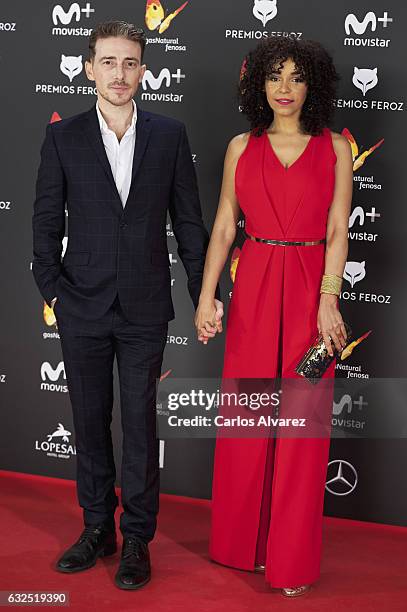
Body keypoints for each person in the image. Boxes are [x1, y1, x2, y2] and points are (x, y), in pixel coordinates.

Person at [32, 20, 222, 590]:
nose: (120, 73)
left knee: (139, 424)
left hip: (144, 307)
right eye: (109, 62)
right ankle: (97, 529)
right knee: (89, 424)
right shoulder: (63, 137)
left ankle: (137, 536)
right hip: (80, 305)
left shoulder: (169, 134)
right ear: (90, 68)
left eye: (130, 62)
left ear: (144, 70)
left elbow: (189, 222)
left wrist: (202, 293)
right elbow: (44, 221)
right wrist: (53, 290)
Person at [194, 37, 353, 596]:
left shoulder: (335, 147)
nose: (284, 88)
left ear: (314, 85)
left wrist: (329, 298)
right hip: (255, 286)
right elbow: (222, 227)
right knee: (247, 422)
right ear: (258, 85)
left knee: (302, 433)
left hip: (312, 286)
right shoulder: (242, 146)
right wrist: (207, 295)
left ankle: (290, 561)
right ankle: (242, 547)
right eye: (273, 77)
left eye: (296, 77)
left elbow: (338, 229)